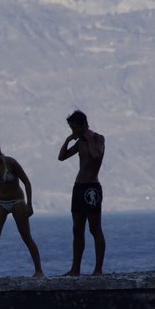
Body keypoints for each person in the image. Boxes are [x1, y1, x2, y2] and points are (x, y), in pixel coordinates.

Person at [0, 139, 44, 278]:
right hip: (0, 203)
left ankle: (39, 270)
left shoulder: (11, 163)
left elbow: (27, 182)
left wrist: (29, 204)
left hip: (17, 202)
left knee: (26, 236)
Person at [57, 110, 105, 275]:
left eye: (75, 128)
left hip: (91, 187)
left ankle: (98, 269)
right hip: (78, 187)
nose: (73, 131)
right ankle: (75, 268)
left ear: (83, 125)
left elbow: (95, 155)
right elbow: (62, 157)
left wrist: (89, 138)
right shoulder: (79, 142)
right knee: (77, 229)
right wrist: (69, 139)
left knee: (94, 228)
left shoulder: (97, 138)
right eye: (71, 128)